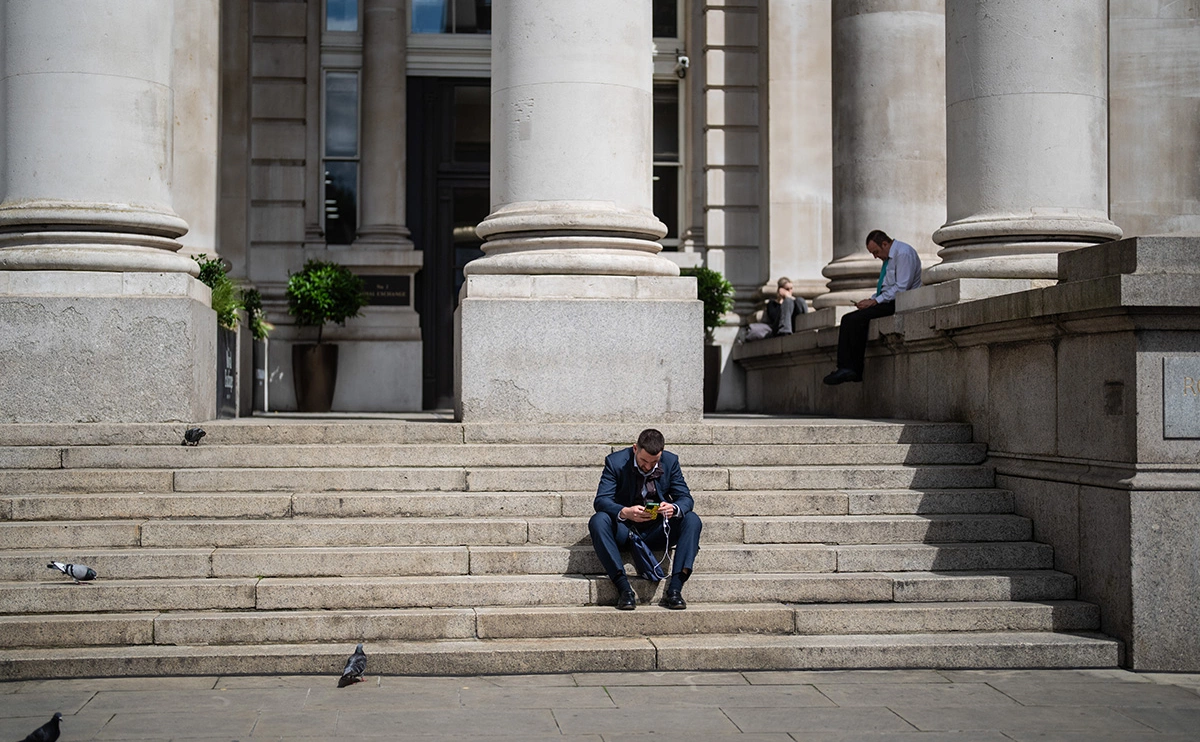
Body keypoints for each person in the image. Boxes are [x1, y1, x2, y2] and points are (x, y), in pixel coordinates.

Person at [589, 428, 703, 610]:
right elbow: (601, 500)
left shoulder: (671, 461)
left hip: (657, 530)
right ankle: (624, 589)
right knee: (598, 520)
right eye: (643, 461)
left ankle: (674, 590)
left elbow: (686, 498)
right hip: (625, 531)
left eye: (654, 462)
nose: (648, 466)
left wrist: (673, 508)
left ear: (662, 454)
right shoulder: (615, 462)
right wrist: (625, 512)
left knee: (692, 520)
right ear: (635, 448)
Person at [823, 230, 922, 385]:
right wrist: (870, 300)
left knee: (853, 320)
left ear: (885, 244)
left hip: (902, 302)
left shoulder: (903, 254)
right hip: (889, 301)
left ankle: (851, 368)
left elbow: (902, 288)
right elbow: (887, 289)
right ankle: (846, 367)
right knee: (849, 318)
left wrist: (876, 302)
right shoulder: (890, 258)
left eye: (876, 252)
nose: (875, 257)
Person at [744, 277, 807, 342]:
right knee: (788, 302)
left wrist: (790, 298)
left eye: (791, 288)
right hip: (778, 329)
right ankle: (784, 332)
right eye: (787, 289)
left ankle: (806, 327)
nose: (790, 291)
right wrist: (785, 300)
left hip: (793, 326)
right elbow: (775, 318)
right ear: (780, 290)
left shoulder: (793, 301)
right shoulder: (772, 304)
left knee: (800, 300)